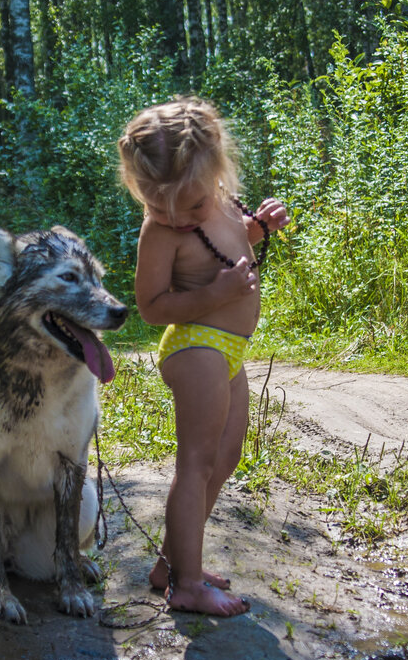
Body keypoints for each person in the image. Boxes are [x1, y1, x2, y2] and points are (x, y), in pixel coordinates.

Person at [118, 97, 289, 616]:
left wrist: (258, 228)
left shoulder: (216, 205)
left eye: (192, 204)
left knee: (224, 457)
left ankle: (172, 564)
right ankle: (187, 585)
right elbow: (151, 307)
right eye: (159, 204)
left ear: (215, 170)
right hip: (196, 347)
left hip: (228, 350)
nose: (179, 217)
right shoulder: (162, 230)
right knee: (195, 463)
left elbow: (229, 241)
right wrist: (214, 295)